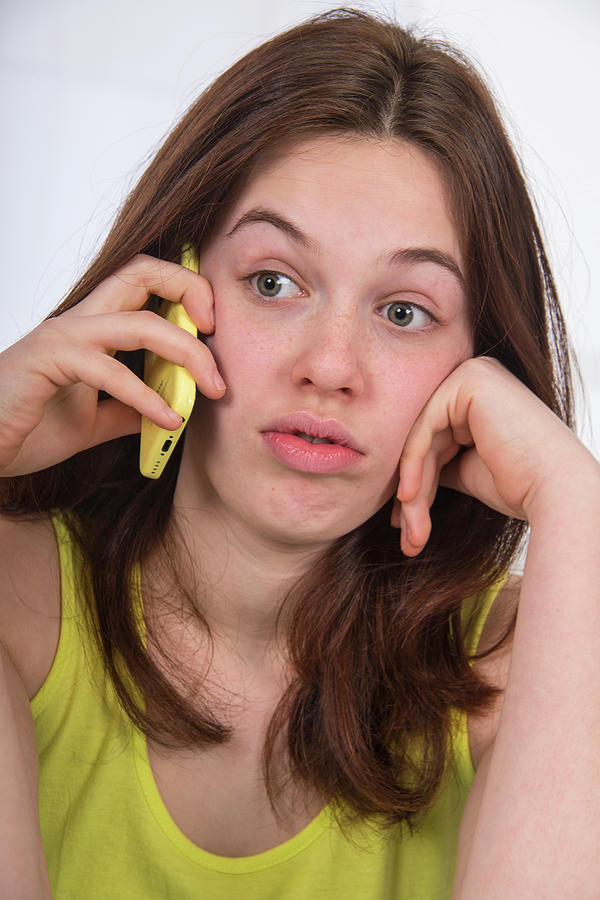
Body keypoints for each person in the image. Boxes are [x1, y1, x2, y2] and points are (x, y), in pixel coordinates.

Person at [0, 8, 598, 898]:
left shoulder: (531, 657)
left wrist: (576, 502)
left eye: (404, 312)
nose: (330, 369)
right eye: (273, 283)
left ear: (482, 369)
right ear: (169, 298)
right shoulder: (14, 602)